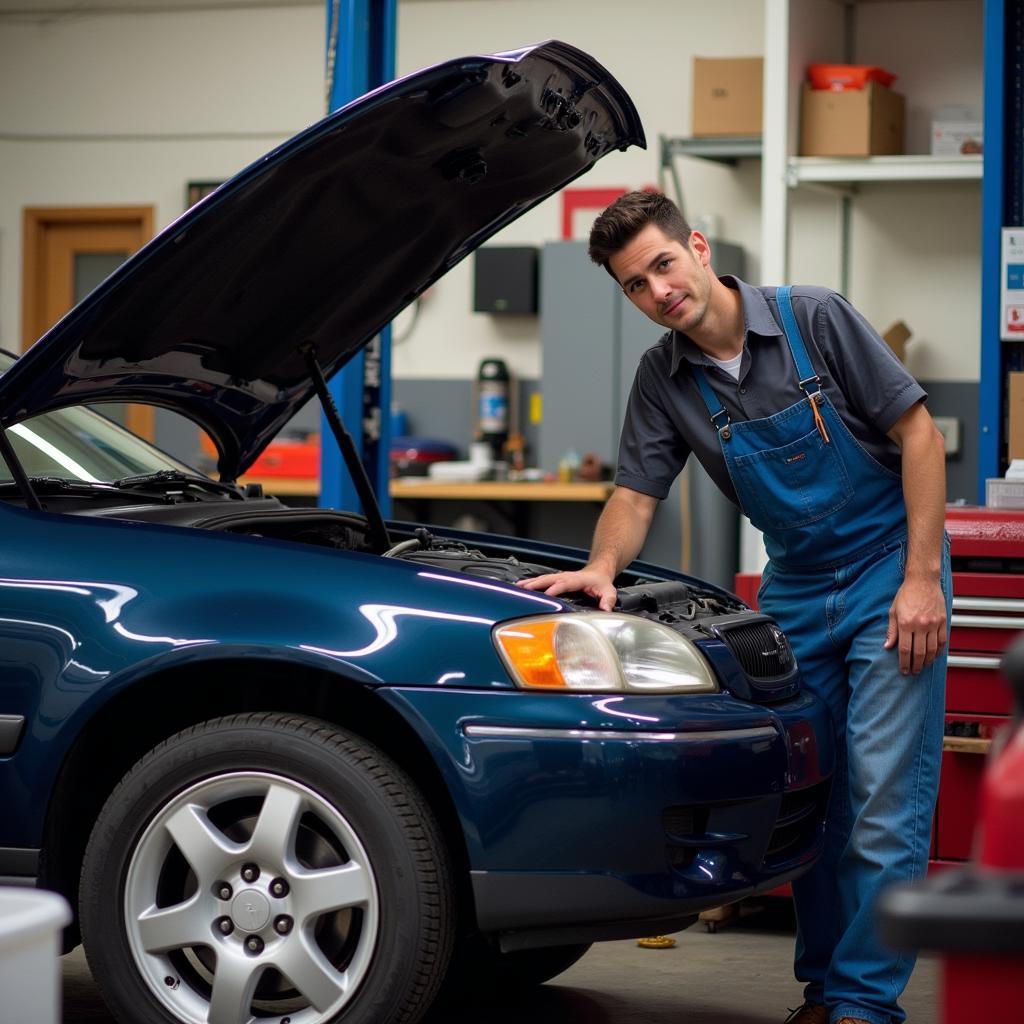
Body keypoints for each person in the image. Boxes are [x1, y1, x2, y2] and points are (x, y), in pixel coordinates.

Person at [519, 191, 949, 1024]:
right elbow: (636, 494)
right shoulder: (664, 377)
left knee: (884, 802)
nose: (657, 291)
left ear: (700, 249)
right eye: (635, 286)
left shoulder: (813, 320)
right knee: (812, 794)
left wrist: (923, 580)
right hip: (793, 588)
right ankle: (824, 990)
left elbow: (920, 437)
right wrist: (600, 567)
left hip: (889, 574)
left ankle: (865, 1007)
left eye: (663, 265)